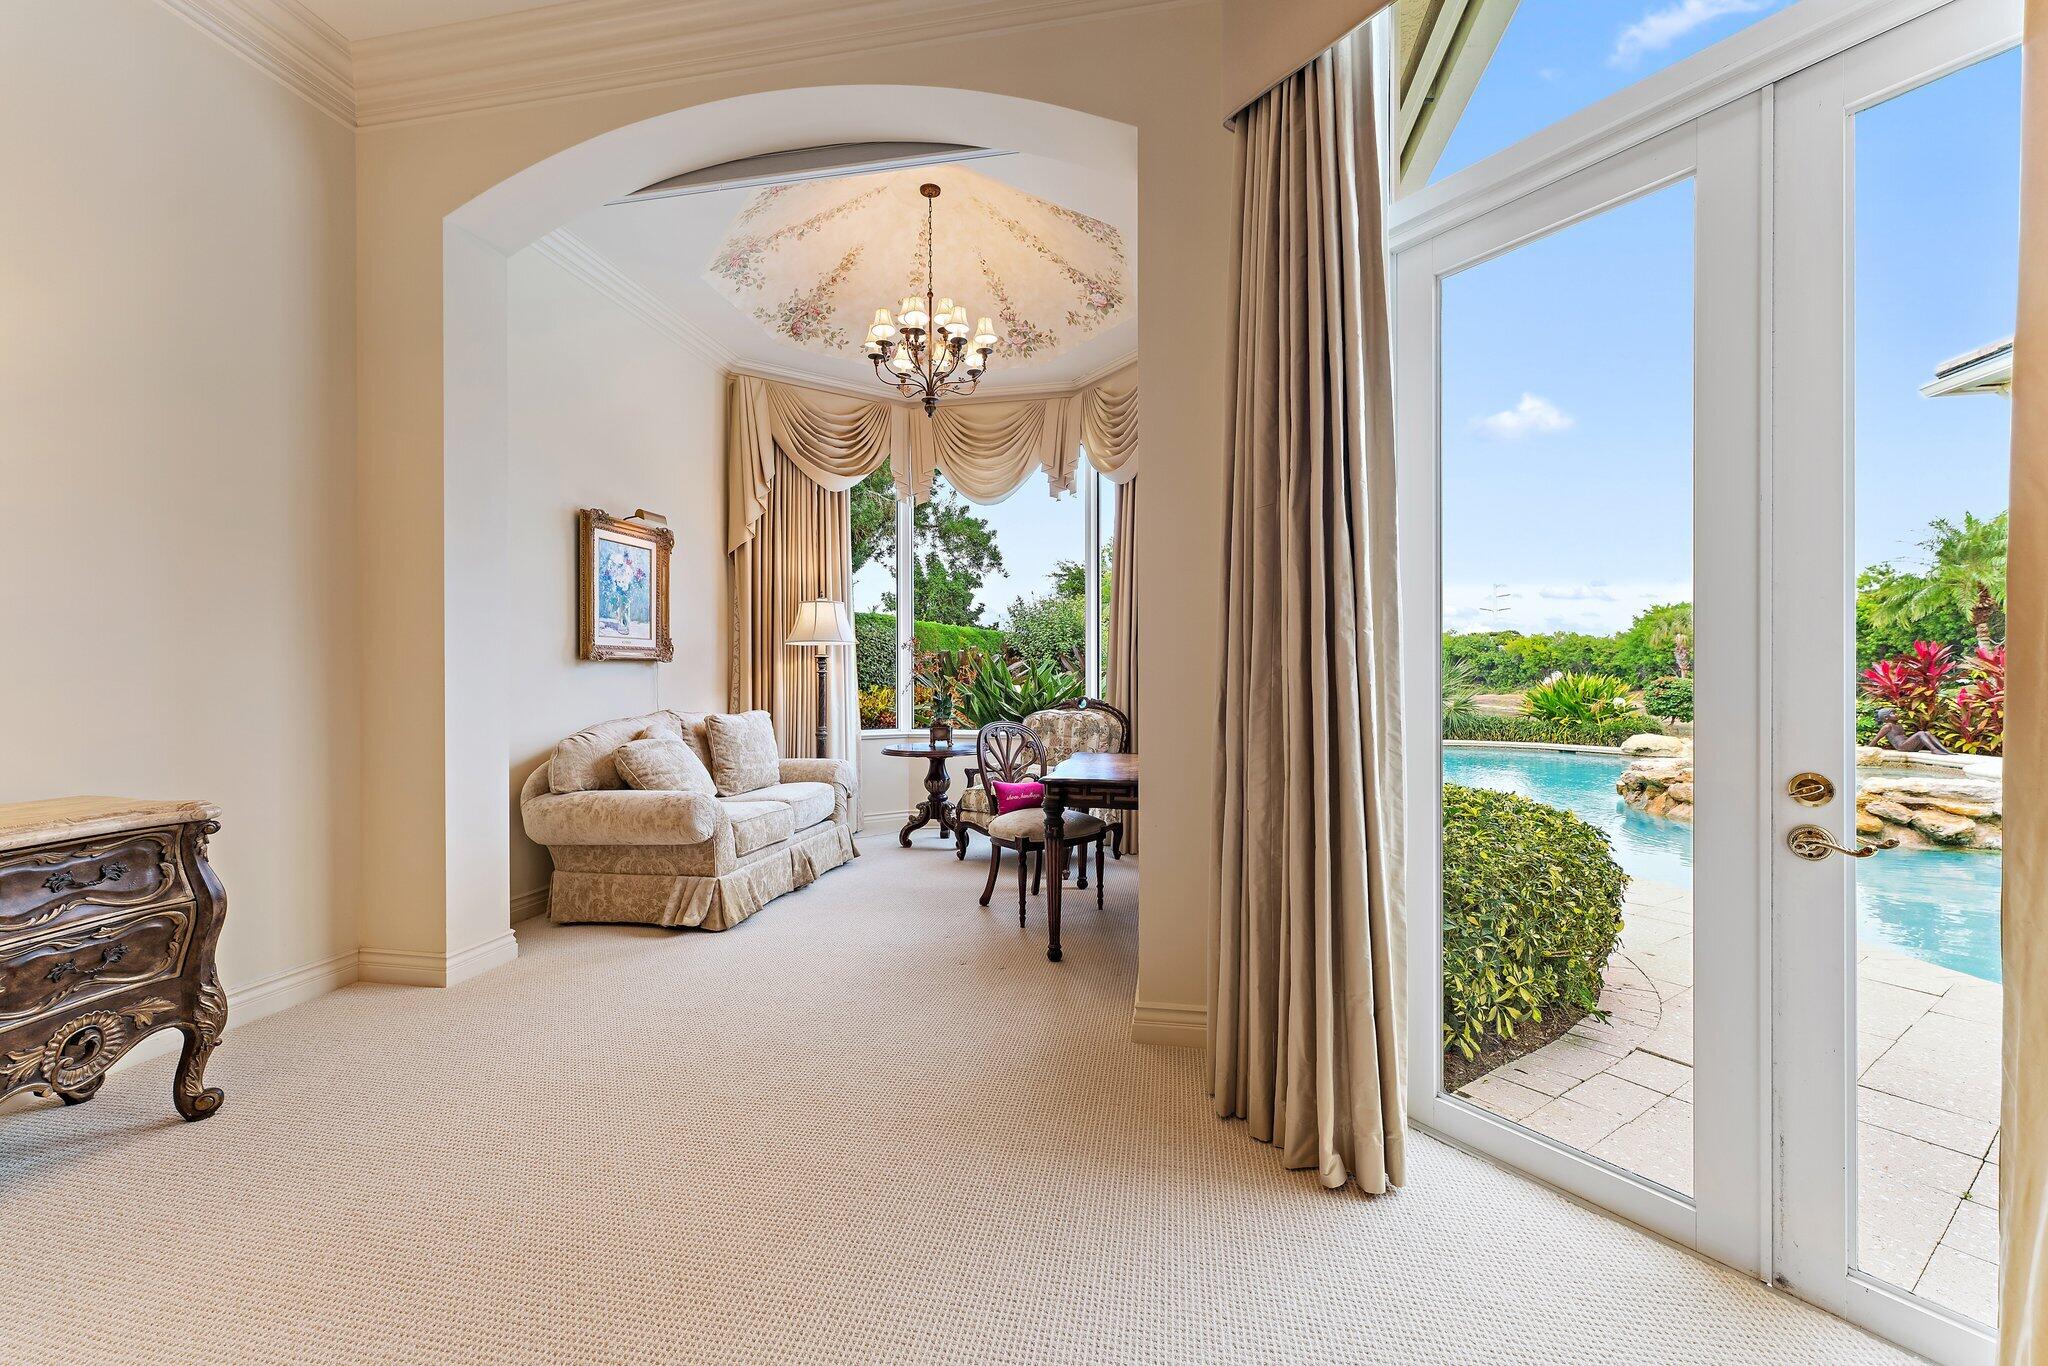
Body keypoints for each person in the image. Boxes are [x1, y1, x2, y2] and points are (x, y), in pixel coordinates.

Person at [1872, 707, 1952, 754]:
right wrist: (1867, 749)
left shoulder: (1898, 725)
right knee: (1920, 733)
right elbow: (1876, 738)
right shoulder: (1887, 726)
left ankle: (1943, 750)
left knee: (1927, 733)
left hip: (1910, 747)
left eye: (1896, 713)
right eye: (1893, 713)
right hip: (1902, 747)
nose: (1897, 714)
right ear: (1886, 717)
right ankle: (1934, 750)